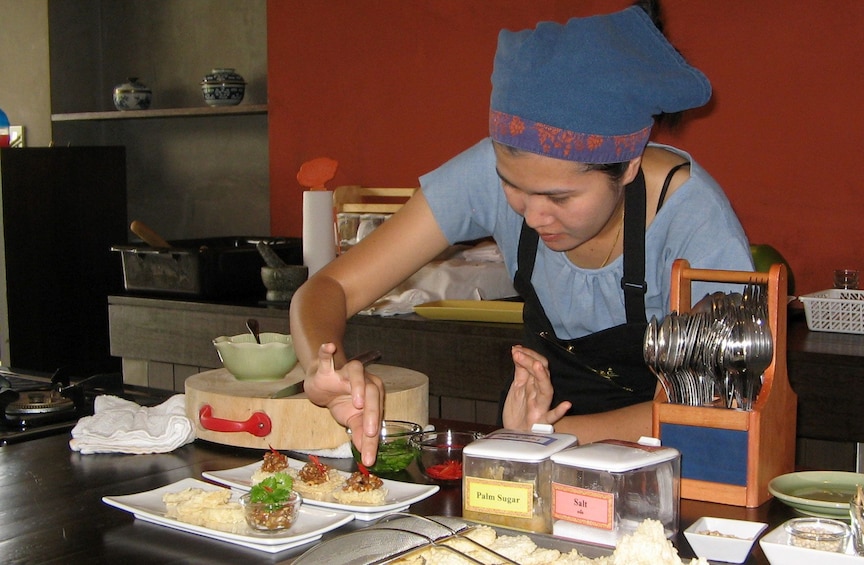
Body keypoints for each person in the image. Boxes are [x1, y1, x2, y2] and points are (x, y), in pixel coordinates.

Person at [290, 0, 753, 465]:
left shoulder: (694, 221)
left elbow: (718, 402)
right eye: (512, 186)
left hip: (668, 469)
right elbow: (328, 287)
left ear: (628, 164)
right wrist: (322, 369)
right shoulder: (486, 173)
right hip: (533, 445)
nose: (532, 216)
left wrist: (551, 434)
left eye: (559, 198)